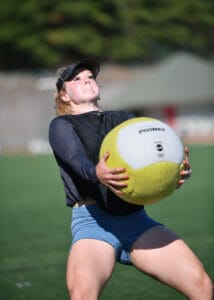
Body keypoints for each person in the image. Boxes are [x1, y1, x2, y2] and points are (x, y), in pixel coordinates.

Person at [49, 58, 213, 300]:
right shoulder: (62, 125)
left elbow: (154, 157)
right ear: (64, 96)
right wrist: (97, 173)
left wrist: (176, 170)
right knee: (83, 295)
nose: (86, 80)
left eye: (90, 77)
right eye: (77, 79)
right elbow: (76, 160)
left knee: (202, 285)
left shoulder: (125, 118)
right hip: (94, 224)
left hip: (136, 221)